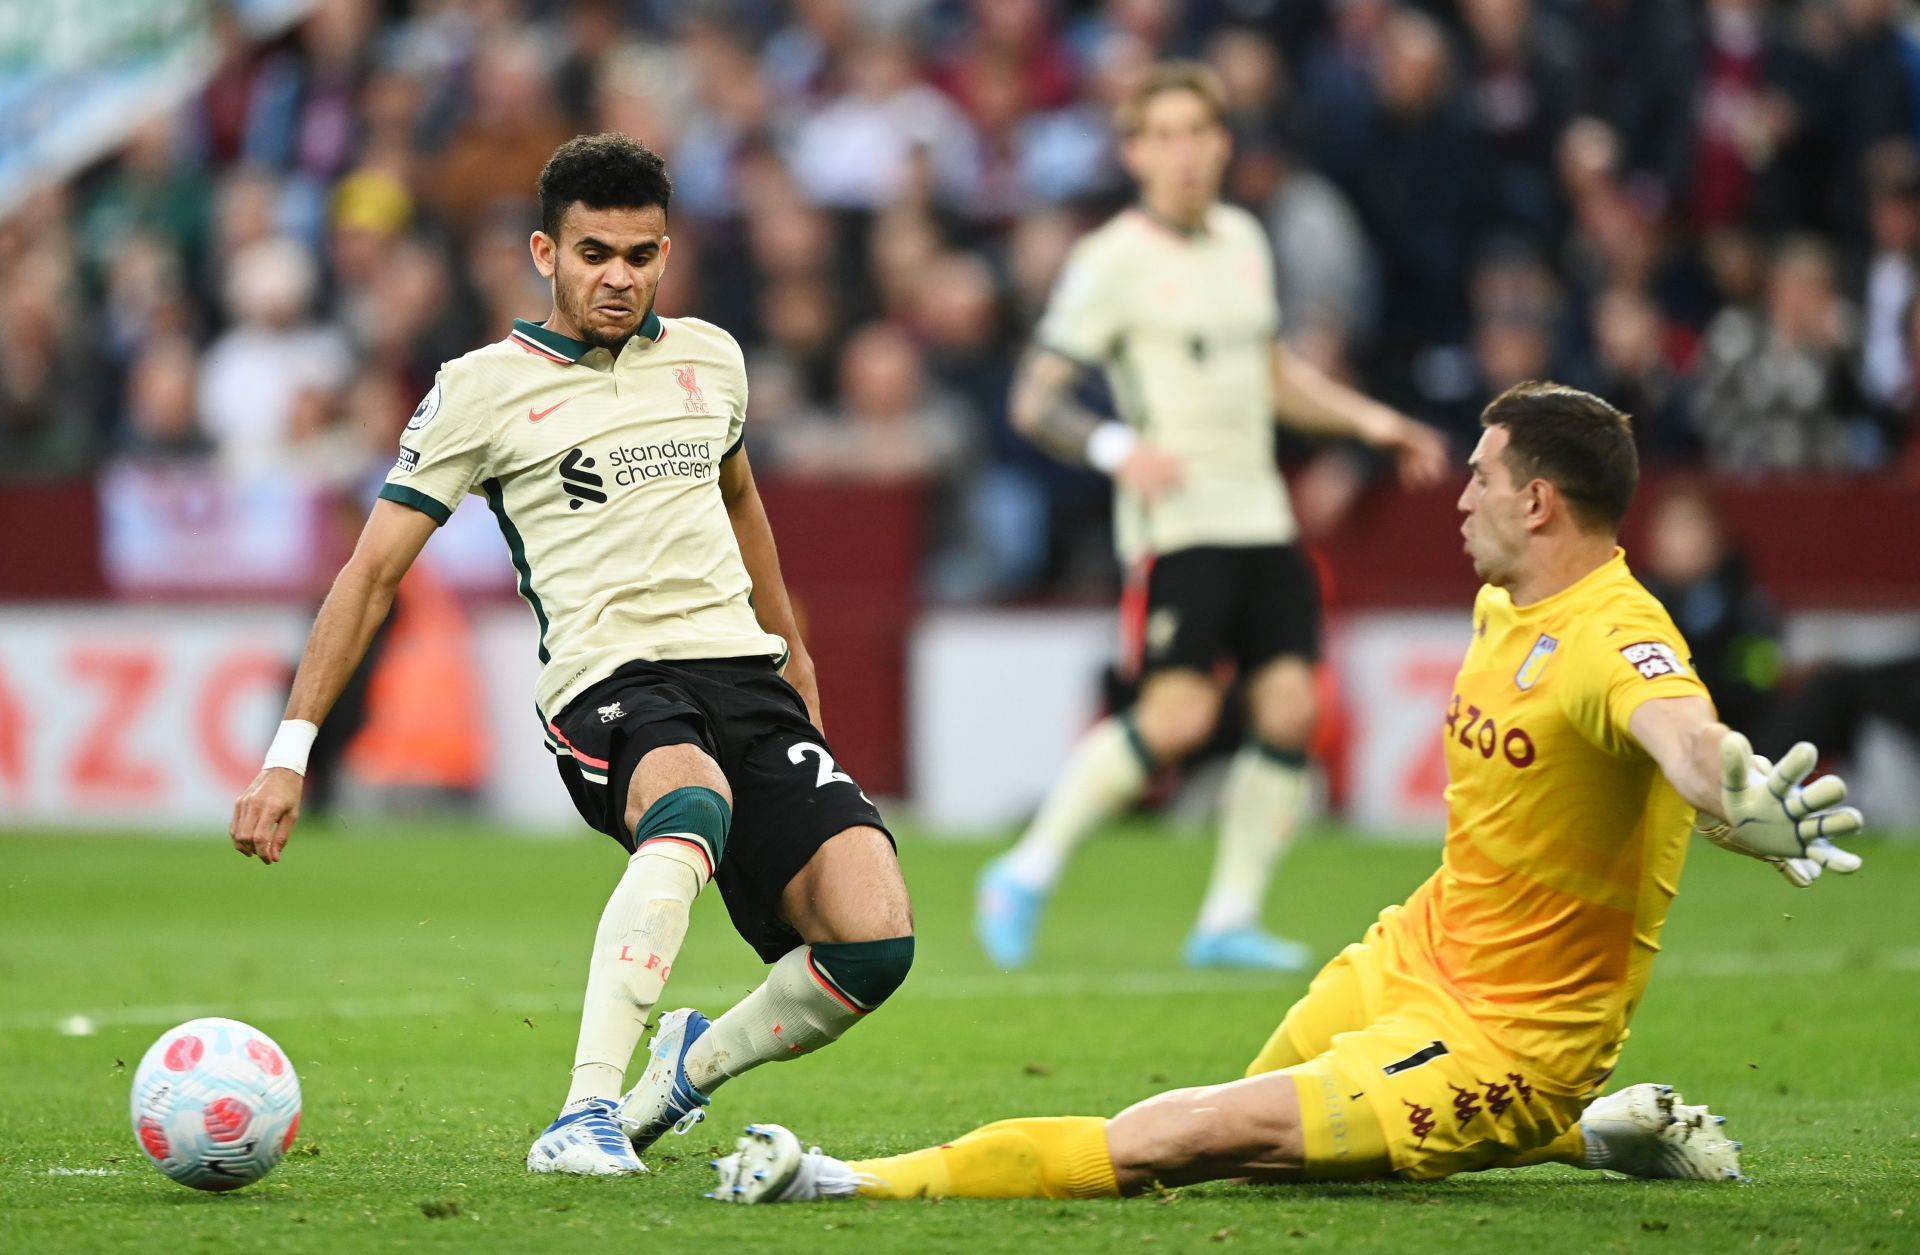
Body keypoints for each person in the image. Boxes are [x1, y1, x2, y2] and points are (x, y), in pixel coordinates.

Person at [712, 381, 1866, 1204]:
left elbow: (1683, 738)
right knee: (1249, 1135)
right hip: (1412, 952)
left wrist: (1738, 800)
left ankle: (841, 1181)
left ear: (1541, 503)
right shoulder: (1505, 603)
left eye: (1479, 477)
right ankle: (1600, 1143)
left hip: (1510, 1042)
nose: (1457, 496)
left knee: (1187, 1138)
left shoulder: (1621, 638)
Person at [227, 134, 915, 1177]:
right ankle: (583, 1110)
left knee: (873, 940)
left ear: (666, 255)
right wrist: (290, 749)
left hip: (741, 668)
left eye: (640, 255)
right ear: (544, 252)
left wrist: (796, 654)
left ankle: (682, 1074)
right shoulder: (480, 390)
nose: (618, 277)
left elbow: (742, 504)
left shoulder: (711, 359)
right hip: (610, 680)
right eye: (595, 253)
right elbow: (369, 574)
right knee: (690, 804)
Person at [974, 61, 1449, 972]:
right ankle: (1026, 867)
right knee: (1181, 716)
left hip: (1261, 514)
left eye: (1201, 132)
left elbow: (1276, 379)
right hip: (1177, 525)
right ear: (1135, 151)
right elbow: (1035, 398)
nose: (1187, 153)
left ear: (1224, 144)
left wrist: (1373, 421)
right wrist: (1119, 450)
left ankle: (1227, 916)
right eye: (1166, 136)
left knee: (1291, 704)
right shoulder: (1110, 260)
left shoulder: (1244, 240)